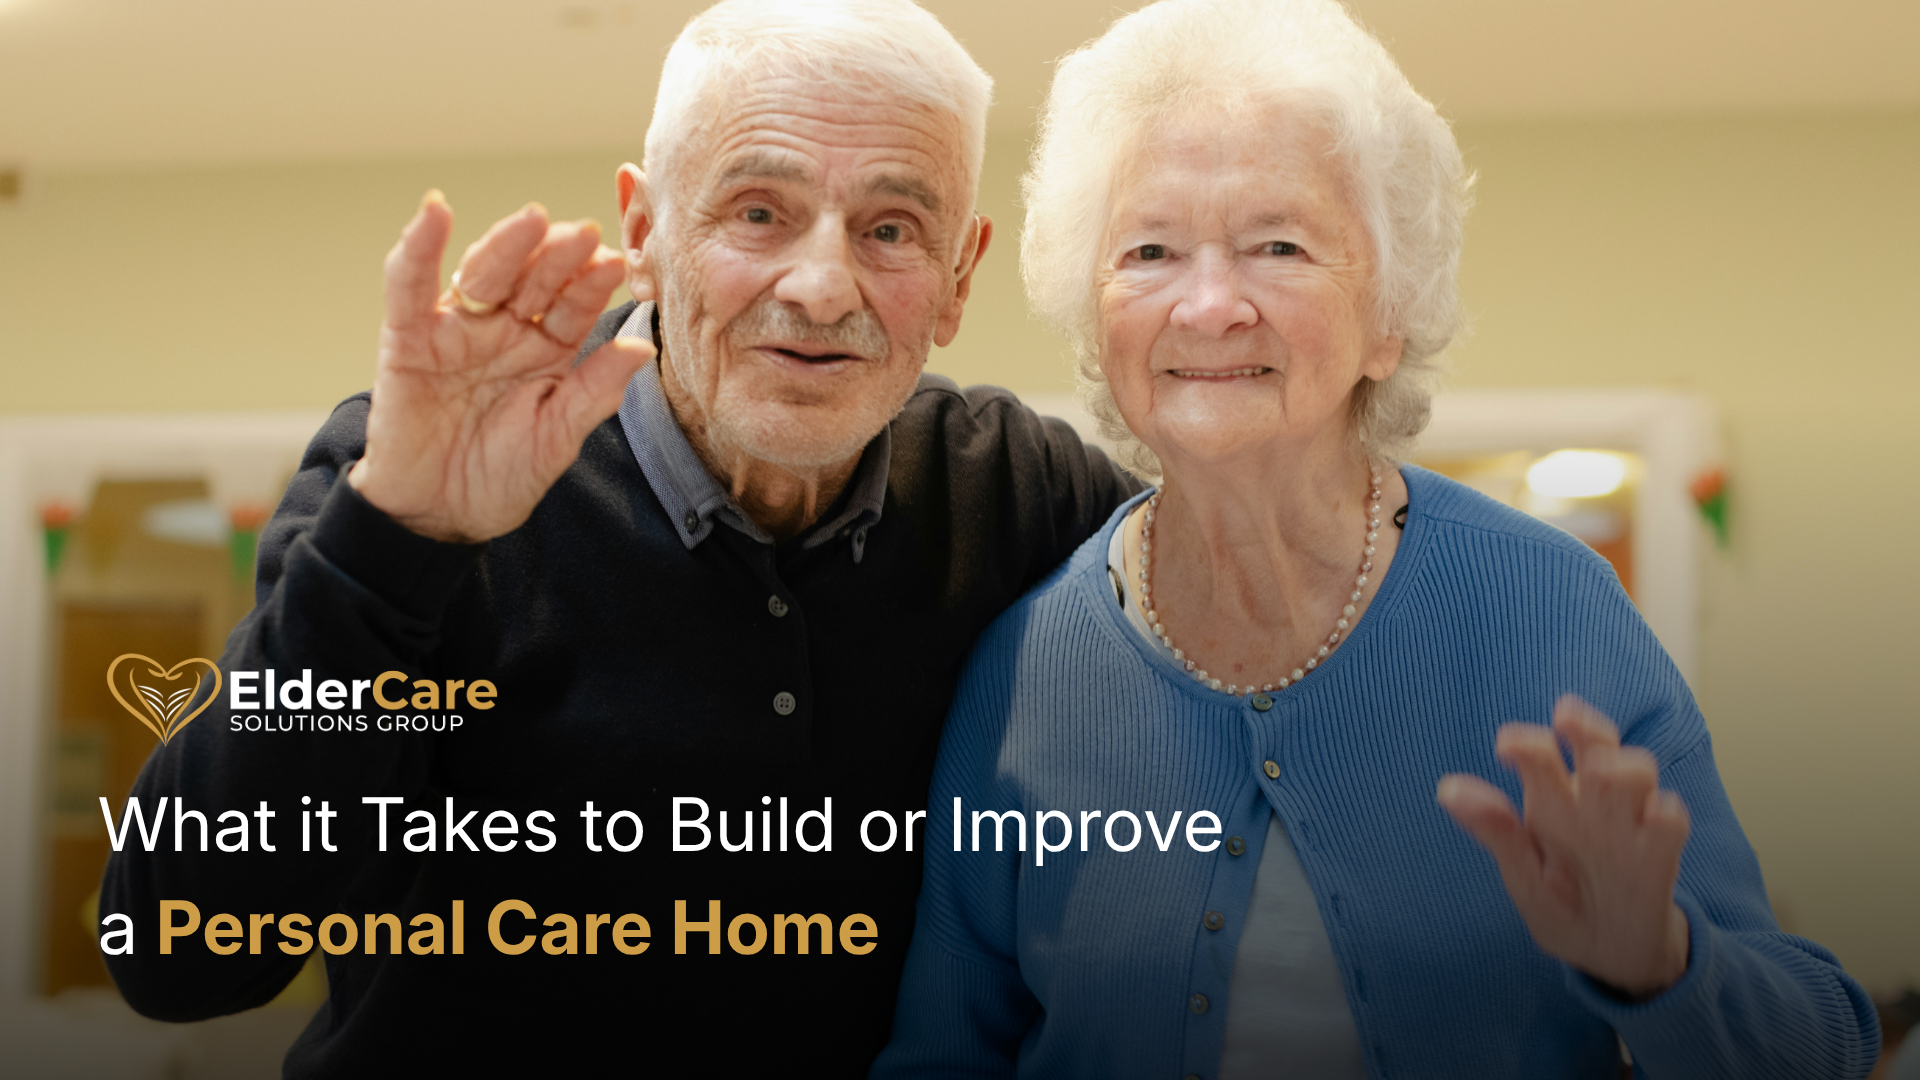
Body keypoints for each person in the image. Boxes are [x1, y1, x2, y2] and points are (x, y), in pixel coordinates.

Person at [101, 1, 1137, 1074]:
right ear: (644, 231)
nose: (824, 288)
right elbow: (177, 959)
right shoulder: (423, 467)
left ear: (960, 276)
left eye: (889, 230)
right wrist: (399, 540)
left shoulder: (1018, 492)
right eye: (758, 212)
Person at [871, 1, 1880, 1077]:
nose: (1209, 305)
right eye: (1151, 249)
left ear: (1387, 315)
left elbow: (1818, 1048)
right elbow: (942, 1056)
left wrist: (1662, 965)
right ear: (1096, 311)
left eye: (1280, 245)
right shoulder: (1027, 668)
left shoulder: (1550, 608)